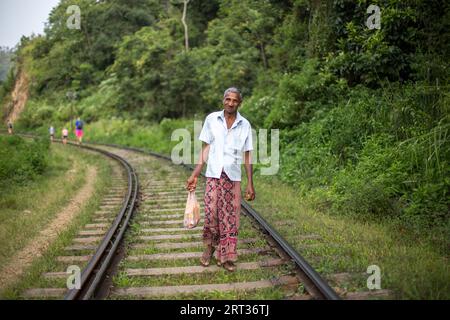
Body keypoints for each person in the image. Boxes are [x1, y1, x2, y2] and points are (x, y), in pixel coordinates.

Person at [186, 87, 255, 272]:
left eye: (234, 100)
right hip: (213, 175)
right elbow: (206, 148)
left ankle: (227, 256)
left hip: (232, 177)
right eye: (228, 99)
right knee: (211, 214)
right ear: (223, 100)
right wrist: (194, 173)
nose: (230, 103)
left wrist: (250, 183)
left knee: (230, 217)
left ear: (239, 103)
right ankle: (209, 248)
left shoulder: (245, 125)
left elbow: (248, 156)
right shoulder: (212, 119)